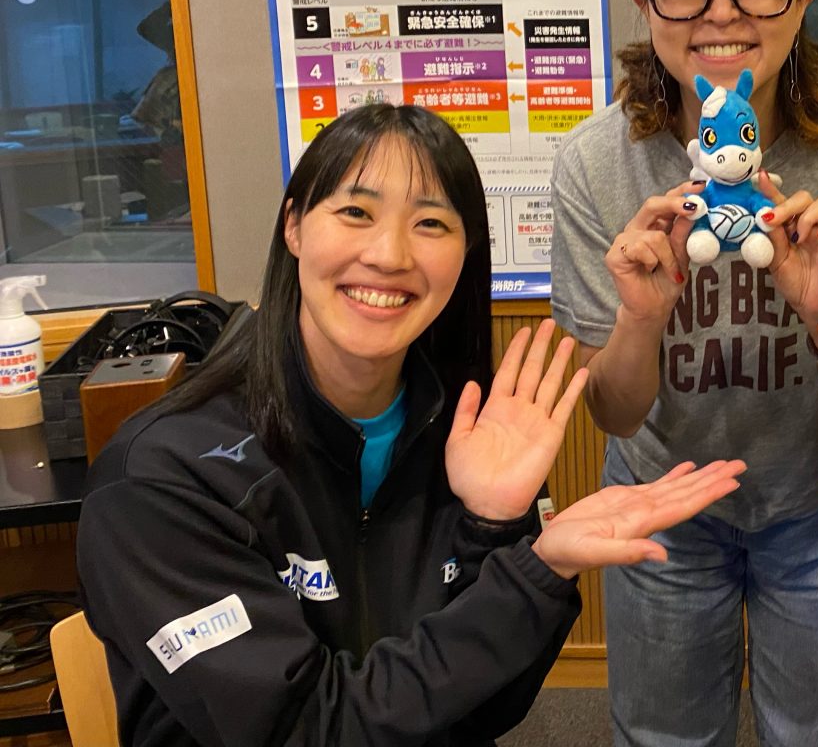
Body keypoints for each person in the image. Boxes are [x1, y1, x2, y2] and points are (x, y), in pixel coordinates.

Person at [76, 104, 746, 747]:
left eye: (430, 223)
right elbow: (305, 730)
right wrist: (530, 575)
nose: (390, 254)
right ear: (295, 226)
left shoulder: (469, 434)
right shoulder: (162, 478)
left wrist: (495, 530)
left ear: (464, 254)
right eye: (355, 212)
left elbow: (492, 708)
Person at [550, 0, 818, 747]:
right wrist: (643, 315)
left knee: (814, 733)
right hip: (662, 501)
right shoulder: (596, 162)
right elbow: (615, 413)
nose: (722, 12)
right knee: (664, 735)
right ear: (646, 3)